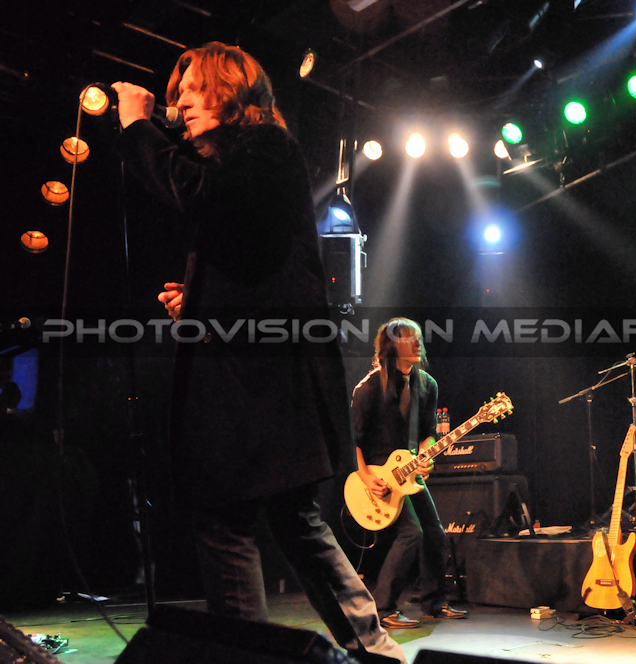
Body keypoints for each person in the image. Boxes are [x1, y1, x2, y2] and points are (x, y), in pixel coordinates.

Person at [112, 42, 405, 664]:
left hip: (266, 382)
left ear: (230, 91)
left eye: (193, 88)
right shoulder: (244, 165)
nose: (180, 102)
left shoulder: (267, 148)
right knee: (289, 520)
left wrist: (137, 127)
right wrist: (200, 302)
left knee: (228, 522)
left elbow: (199, 194)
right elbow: (254, 267)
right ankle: (375, 651)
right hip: (261, 376)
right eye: (176, 94)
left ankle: (281, 655)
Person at [351, 318, 467, 629]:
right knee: (411, 533)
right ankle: (383, 608)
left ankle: (434, 603)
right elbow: (353, 442)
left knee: (435, 533)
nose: (417, 343)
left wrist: (426, 458)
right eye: (409, 338)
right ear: (392, 346)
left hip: (408, 473)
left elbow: (428, 434)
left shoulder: (427, 384)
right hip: (378, 476)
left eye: (418, 338)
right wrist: (366, 478)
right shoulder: (368, 388)